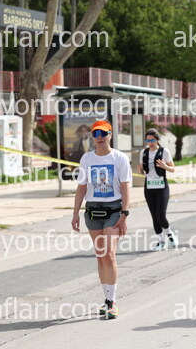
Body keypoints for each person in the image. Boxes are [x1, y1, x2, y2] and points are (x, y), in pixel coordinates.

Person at [72, 120, 131, 319]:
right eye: (96, 134)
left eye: (103, 133)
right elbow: (81, 187)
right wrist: (75, 213)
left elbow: (125, 188)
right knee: (100, 255)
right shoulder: (87, 158)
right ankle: (106, 298)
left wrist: (124, 214)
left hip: (114, 210)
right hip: (92, 211)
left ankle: (112, 301)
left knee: (110, 254)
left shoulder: (119, 158)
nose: (99, 138)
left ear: (110, 135)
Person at [138, 128, 177, 251]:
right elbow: (141, 170)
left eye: (152, 140)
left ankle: (170, 234)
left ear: (157, 139)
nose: (150, 143)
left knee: (160, 214)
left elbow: (172, 169)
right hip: (149, 186)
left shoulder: (164, 151)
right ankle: (161, 241)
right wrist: (141, 169)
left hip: (161, 186)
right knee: (154, 215)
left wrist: (164, 166)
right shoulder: (143, 152)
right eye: (147, 140)